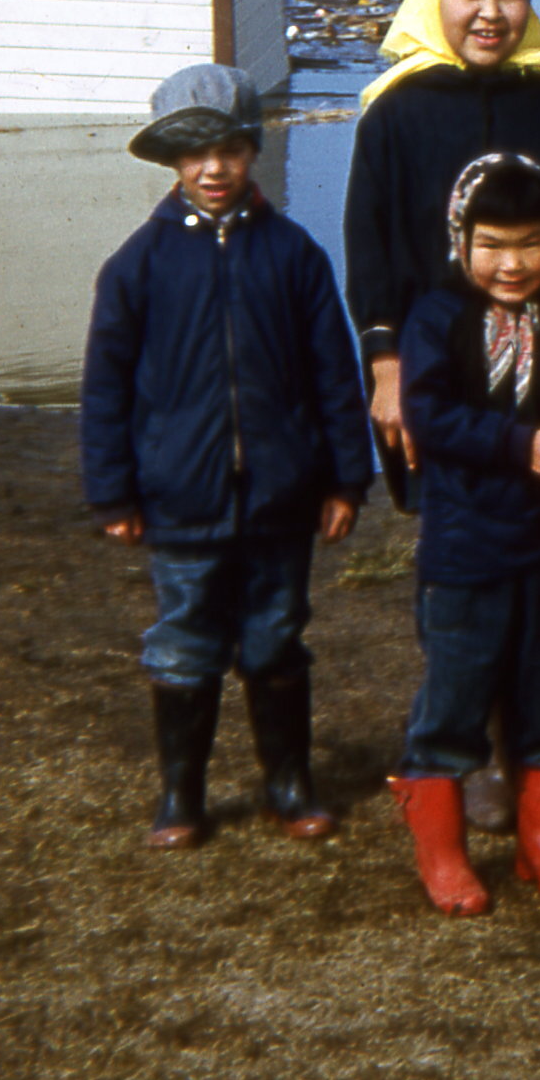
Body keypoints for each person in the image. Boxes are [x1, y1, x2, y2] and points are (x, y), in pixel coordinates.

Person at [342, 0, 540, 831]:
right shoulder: (395, 113)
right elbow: (373, 247)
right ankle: (464, 745)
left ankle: (538, 741)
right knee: (459, 573)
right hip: (443, 386)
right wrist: (385, 362)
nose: (492, 11)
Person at [82, 63, 374, 850]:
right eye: (194, 153)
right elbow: (105, 389)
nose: (214, 168)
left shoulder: (295, 256)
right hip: (179, 499)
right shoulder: (136, 267)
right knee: (184, 638)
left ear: (252, 148)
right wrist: (113, 493)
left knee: (275, 634)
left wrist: (347, 476)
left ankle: (289, 781)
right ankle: (182, 792)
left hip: (281, 496)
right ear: (172, 162)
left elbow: (335, 377)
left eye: (229, 149)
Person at [385, 155, 540, 915]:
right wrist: (515, 445)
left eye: (532, 244)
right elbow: (429, 414)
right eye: (493, 245)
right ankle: (443, 856)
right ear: (461, 241)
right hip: (467, 547)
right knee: (455, 696)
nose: (512, 264)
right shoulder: (437, 316)